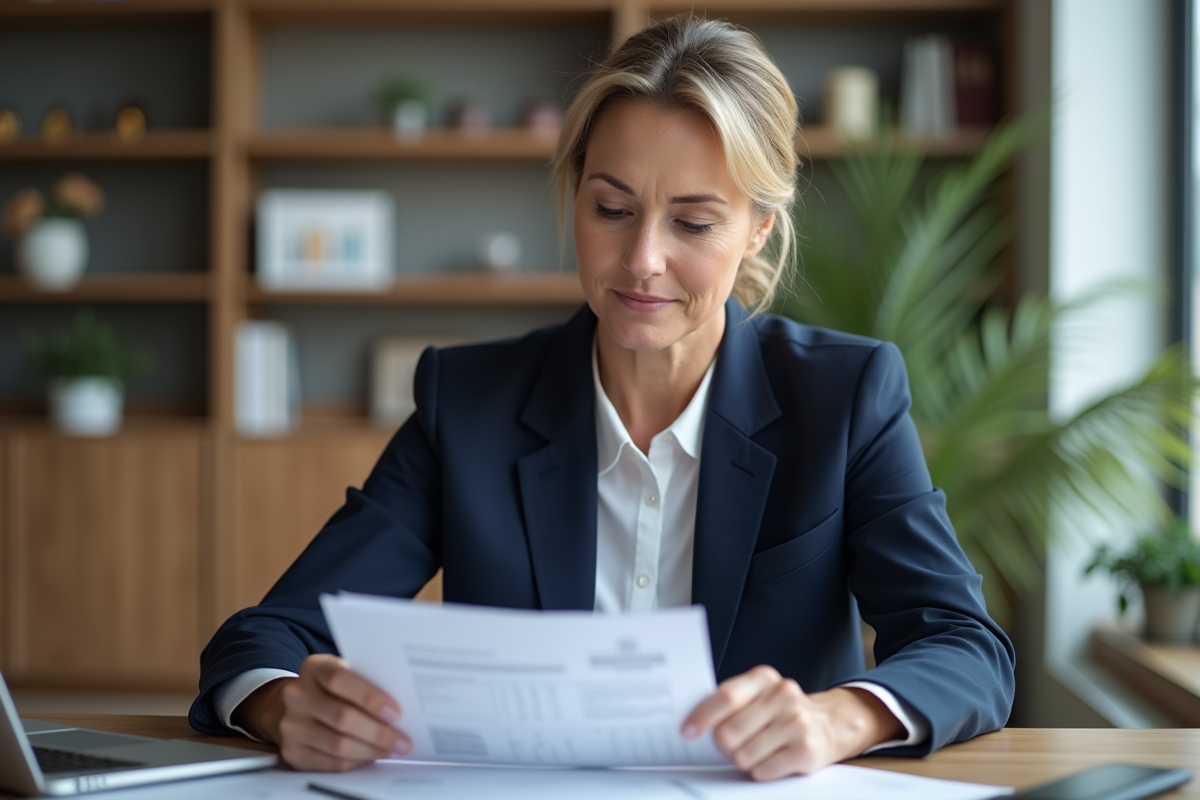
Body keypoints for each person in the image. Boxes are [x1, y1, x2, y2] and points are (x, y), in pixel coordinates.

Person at [189, 15, 1015, 781]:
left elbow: (966, 647)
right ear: (574, 193)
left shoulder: (845, 397)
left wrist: (840, 719)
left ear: (758, 227)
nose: (642, 259)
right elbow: (265, 637)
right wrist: (281, 703)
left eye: (693, 223)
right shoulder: (468, 403)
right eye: (612, 208)